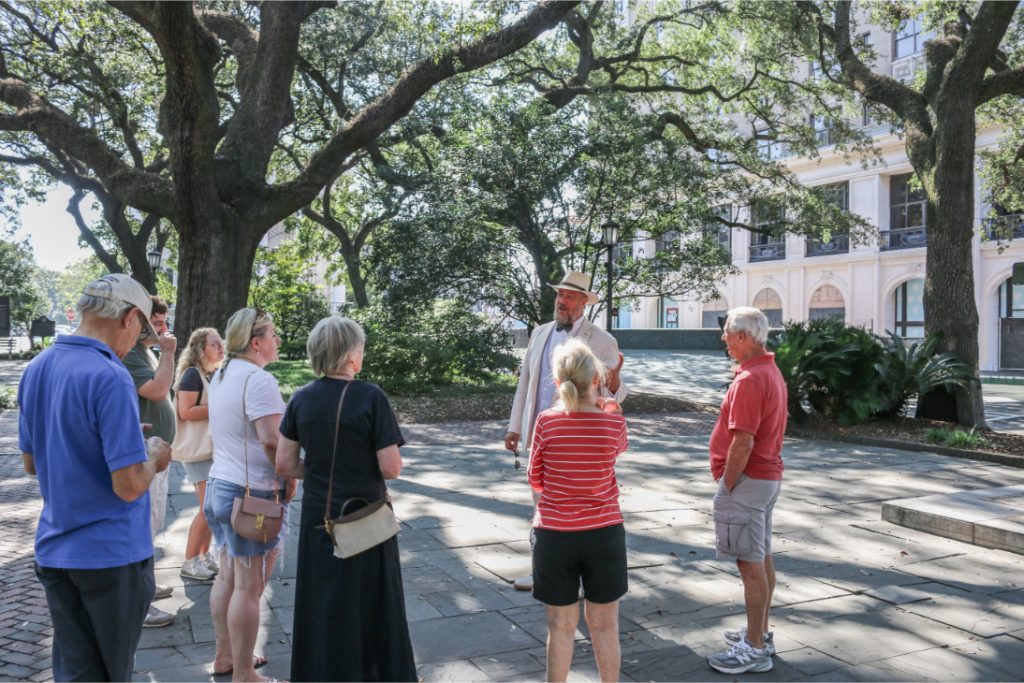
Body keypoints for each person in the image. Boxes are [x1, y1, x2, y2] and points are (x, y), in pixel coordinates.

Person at [17, 273, 172, 681]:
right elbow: (128, 486)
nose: (137, 339)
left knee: (76, 672)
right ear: (128, 318)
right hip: (110, 554)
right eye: (141, 329)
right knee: (109, 674)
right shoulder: (110, 374)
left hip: (56, 549)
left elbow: (33, 463)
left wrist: (116, 441)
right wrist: (153, 457)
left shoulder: (38, 366)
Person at [276, 316, 416, 682]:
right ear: (352, 355)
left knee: (322, 604)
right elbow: (390, 467)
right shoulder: (371, 397)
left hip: (318, 519)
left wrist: (322, 469)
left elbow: (285, 463)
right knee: (372, 604)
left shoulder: (301, 399)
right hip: (364, 519)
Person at [504, 271, 626, 591]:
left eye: (570, 296)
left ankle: (583, 574)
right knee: (540, 505)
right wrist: (515, 426)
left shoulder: (601, 340)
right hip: (542, 433)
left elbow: (616, 393)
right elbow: (525, 383)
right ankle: (541, 570)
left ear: (584, 302)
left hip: (581, 440)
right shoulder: (540, 333)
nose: (562, 300)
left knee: (582, 505)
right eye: (560, 294)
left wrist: (613, 385)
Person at [527, 339, 629, 683]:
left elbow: (535, 478)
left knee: (560, 627)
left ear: (557, 383)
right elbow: (618, 449)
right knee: (605, 625)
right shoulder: (613, 422)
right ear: (596, 379)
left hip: (555, 535)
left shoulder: (546, 421)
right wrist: (609, 402)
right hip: (604, 533)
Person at [205, 308, 294, 682]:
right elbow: (272, 441)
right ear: (256, 342)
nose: (278, 341)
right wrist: (288, 477)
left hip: (219, 487)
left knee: (227, 577)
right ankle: (244, 672)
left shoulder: (223, 375)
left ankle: (225, 656)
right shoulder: (258, 380)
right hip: (252, 494)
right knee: (249, 585)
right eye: (273, 335)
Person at [705, 307, 787, 675]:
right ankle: (760, 633)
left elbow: (742, 442)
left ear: (743, 336)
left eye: (727, 333)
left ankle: (754, 648)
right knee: (761, 557)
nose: (723, 339)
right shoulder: (768, 371)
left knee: (750, 566)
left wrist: (727, 485)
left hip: (749, 481)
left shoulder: (750, 379)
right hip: (765, 479)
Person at [122, 295, 178, 627]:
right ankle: (139, 602)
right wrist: (169, 353)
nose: (162, 329)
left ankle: (147, 584)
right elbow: (157, 391)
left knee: (153, 523)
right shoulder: (131, 352)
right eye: (156, 323)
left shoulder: (145, 350)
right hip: (145, 452)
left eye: (164, 322)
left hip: (157, 451)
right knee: (144, 525)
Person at [172, 327, 225, 581]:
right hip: (198, 452)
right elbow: (186, 411)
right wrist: (219, 406)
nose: (221, 347)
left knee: (212, 507)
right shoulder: (193, 375)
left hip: (209, 449)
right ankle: (190, 560)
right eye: (214, 344)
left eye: (220, 343)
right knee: (208, 508)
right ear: (200, 349)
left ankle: (203, 556)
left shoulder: (210, 374)